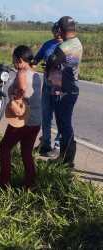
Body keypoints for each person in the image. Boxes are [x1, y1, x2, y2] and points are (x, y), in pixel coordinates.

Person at [0, 46, 42, 188]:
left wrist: (14, 99)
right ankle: (30, 183)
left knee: (4, 148)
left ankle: (4, 182)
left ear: (19, 60)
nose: (13, 62)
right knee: (26, 152)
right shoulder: (36, 75)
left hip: (22, 119)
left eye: (13, 60)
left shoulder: (22, 74)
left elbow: (22, 90)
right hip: (35, 120)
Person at [46, 16, 83, 167]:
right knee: (64, 124)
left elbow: (51, 62)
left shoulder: (63, 47)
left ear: (60, 30)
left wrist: (48, 67)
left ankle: (67, 160)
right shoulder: (77, 43)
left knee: (64, 124)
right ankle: (65, 157)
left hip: (64, 90)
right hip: (72, 88)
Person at [33, 22, 63, 157]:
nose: (56, 33)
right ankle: (45, 143)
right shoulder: (48, 44)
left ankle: (58, 146)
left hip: (61, 85)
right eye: (54, 30)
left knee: (60, 116)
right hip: (47, 83)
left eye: (59, 30)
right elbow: (36, 59)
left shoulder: (68, 46)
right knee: (46, 115)